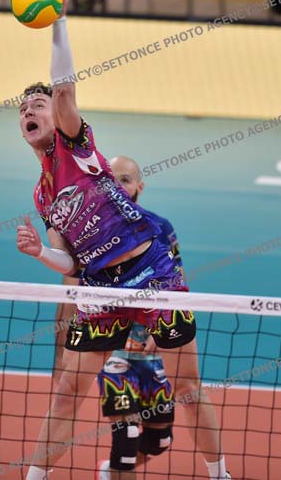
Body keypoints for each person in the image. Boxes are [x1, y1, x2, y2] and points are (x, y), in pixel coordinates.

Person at [15, 0, 229, 480]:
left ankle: (220, 474)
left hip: (151, 274)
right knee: (67, 392)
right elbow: (69, 260)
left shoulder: (75, 145)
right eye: (22, 110)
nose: (29, 111)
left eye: (37, 104)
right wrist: (40, 254)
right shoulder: (42, 194)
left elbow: (64, 91)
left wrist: (58, 20)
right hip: (101, 287)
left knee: (186, 389)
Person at [93, 155, 184, 479]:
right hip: (113, 349)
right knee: (127, 435)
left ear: (139, 186)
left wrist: (164, 331)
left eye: (126, 179)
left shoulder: (161, 228)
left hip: (151, 349)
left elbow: (177, 281)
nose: (118, 186)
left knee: (160, 440)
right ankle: (120, 467)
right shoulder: (92, 231)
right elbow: (76, 289)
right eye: (112, 180)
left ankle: (110, 472)